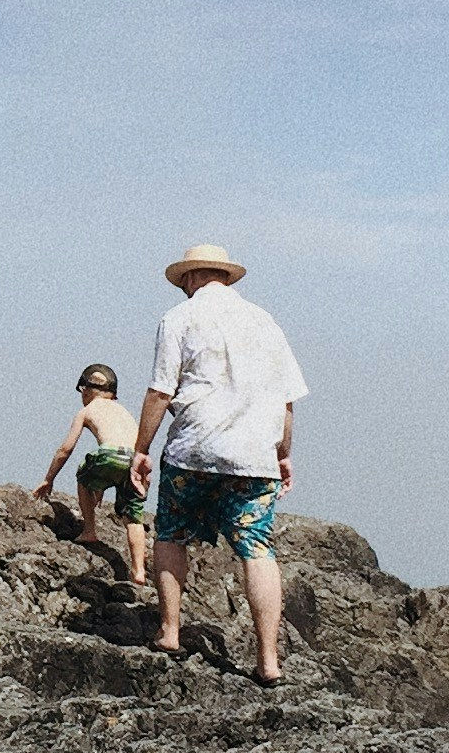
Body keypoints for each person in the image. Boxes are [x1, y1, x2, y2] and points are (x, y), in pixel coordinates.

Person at [127, 245, 307, 684]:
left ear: (190, 279)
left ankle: (170, 631)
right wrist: (283, 454)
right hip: (255, 456)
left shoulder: (179, 318)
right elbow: (286, 402)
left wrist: (141, 449)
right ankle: (268, 661)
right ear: (225, 278)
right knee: (257, 548)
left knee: (172, 533)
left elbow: (159, 391)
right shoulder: (266, 322)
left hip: (195, 448)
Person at [34, 362, 149, 583]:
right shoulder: (124, 411)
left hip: (109, 456)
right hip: (135, 462)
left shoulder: (87, 411)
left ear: (85, 390)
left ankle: (89, 530)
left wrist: (49, 479)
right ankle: (139, 569)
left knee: (84, 474)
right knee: (133, 516)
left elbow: (65, 449)